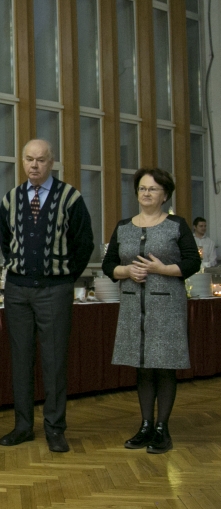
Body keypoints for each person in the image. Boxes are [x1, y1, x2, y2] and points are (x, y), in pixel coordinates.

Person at [0, 139, 93, 453]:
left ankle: (54, 428)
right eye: (29, 159)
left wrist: (63, 277)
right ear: (22, 162)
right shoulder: (11, 198)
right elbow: (6, 241)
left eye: (40, 160)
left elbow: (84, 243)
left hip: (55, 289)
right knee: (20, 360)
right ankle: (23, 427)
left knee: (54, 362)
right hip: (17, 290)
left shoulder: (70, 197)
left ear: (51, 162)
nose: (34, 165)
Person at [102, 168, 201, 454]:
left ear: (165, 195)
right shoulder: (123, 227)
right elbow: (109, 265)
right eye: (143, 188)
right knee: (143, 366)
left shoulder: (176, 225)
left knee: (164, 366)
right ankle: (145, 425)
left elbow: (192, 262)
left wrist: (162, 269)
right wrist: (126, 271)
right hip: (133, 306)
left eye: (153, 189)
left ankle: (161, 429)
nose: (146, 193)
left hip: (167, 307)